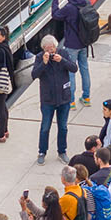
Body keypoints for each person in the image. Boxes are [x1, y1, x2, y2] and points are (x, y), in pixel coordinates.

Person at [32, 37, 75, 166]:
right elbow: (34, 75)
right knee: (45, 127)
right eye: (48, 49)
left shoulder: (63, 53)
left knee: (63, 127)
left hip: (63, 98)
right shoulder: (39, 58)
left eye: (52, 49)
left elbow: (74, 68)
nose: (51, 52)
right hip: (48, 99)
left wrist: (62, 60)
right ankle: (42, 152)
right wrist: (44, 63)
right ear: (43, 49)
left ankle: (62, 151)